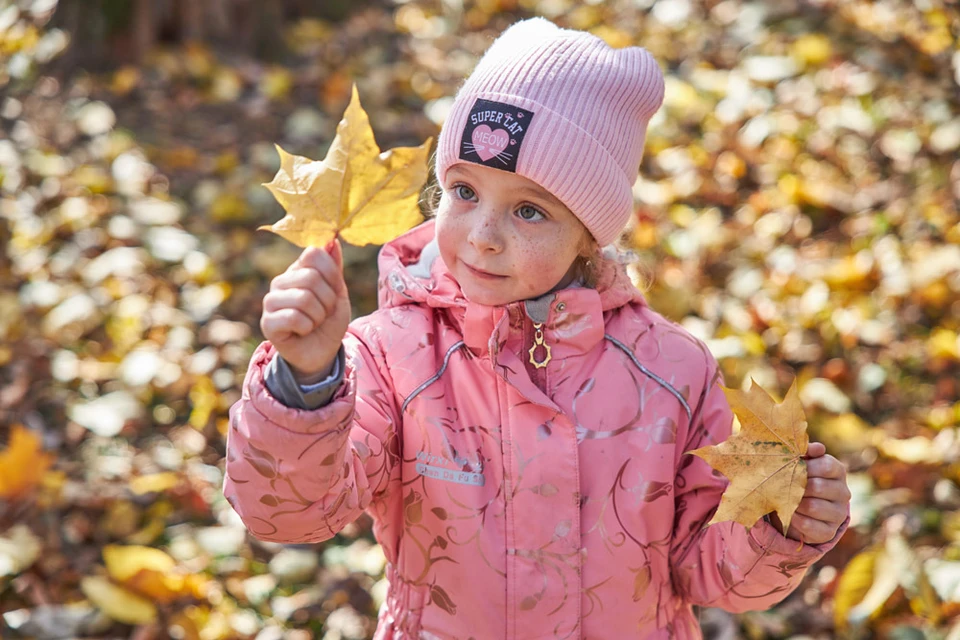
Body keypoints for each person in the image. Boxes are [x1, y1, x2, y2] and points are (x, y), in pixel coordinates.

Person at [223, 17, 851, 639]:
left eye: (529, 210)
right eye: (464, 191)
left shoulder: (672, 370)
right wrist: (304, 381)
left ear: (588, 235)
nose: (483, 236)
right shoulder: (391, 355)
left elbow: (707, 572)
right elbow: (290, 515)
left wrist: (782, 525)